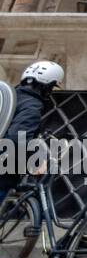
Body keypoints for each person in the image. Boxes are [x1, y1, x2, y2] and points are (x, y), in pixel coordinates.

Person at [0, 60, 64, 206]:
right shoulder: (32, 106)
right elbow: (17, 138)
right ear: (48, 86)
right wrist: (37, 162)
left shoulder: (10, 95)